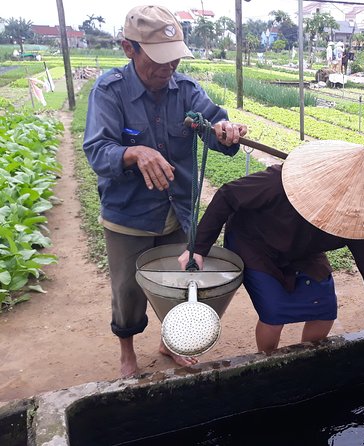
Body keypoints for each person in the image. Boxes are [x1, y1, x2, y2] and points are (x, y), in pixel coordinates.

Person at [83, 5, 248, 378]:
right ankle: (127, 351)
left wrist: (225, 131)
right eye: (158, 60)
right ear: (129, 49)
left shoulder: (187, 90)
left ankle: (168, 340)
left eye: (173, 60)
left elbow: (214, 123)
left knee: (178, 280)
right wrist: (133, 152)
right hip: (129, 214)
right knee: (128, 289)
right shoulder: (109, 92)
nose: (167, 69)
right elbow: (96, 149)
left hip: (179, 209)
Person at [178, 140, 364, 355]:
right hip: (256, 244)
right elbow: (227, 195)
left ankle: (303, 358)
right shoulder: (279, 182)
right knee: (274, 313)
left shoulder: (355, 220)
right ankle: (268, 360)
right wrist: (198, 248)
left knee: (324, 308)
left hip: (304, 251)